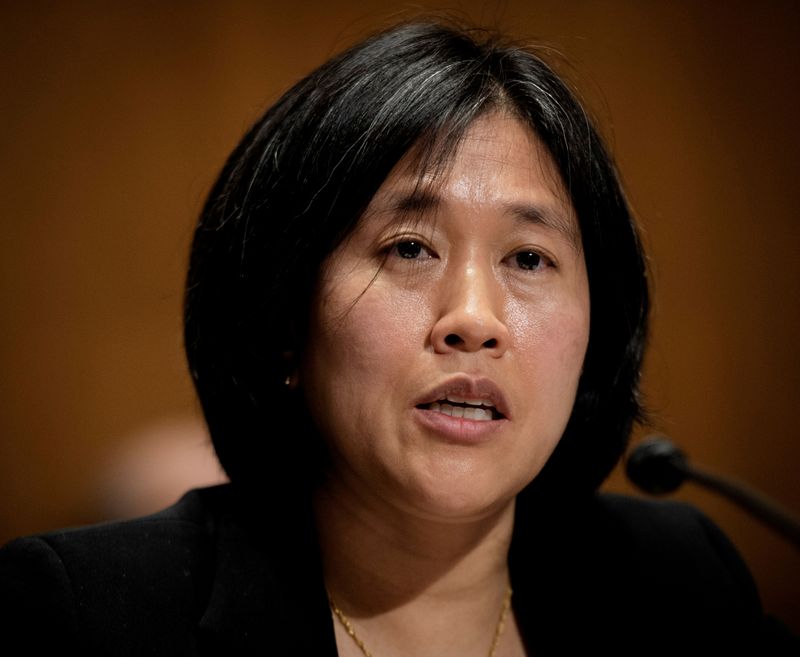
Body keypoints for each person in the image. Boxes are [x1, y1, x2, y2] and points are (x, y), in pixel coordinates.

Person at [0, 19, 795, 655]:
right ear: (285, 319)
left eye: (528, 258)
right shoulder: (91, 615)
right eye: (410, 248)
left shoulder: (680, 583)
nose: (474, 317)